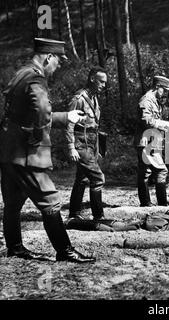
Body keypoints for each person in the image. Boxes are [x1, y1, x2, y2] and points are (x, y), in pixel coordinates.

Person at [0, 38, 95, 263]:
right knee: (50, 201)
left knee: (13, 202)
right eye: (58, 62)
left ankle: (14, 247)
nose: (58, 67)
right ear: (48, 57)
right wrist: (37, 135)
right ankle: (65, 251)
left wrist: (64, 117)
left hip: (7, 150)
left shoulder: (20, 73)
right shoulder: (36, 77)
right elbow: (41, 110)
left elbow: (16, 111)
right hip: (26, 154)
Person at [65, 67, 107, 221]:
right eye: (101, 81)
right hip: (80, 142)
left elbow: (94, 124)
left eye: (104, 82)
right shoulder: (79, 98)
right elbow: (69, 124)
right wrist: (71, 147)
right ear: (91, 79)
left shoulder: (94, 97)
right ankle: (99, 216)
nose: (103, 85)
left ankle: (74, 213)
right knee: (98, 178)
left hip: (91, 141)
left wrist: (98, 149)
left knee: (82, 178)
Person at [134, 75, 169, 207]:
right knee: (161, 171)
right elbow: (145, 120)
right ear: (157, 87)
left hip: (149, 142)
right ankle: (162, 203)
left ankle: (146, 203)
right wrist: (164, 124)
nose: (166, 93)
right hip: (146, 142)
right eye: (165, 90)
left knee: (145, 173)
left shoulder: (154, 100)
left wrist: (164, 127)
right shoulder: (147, 100)